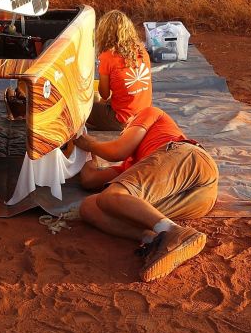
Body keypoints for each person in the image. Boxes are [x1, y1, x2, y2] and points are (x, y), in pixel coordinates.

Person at [74, 106, 219, 281]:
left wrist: (90, 144)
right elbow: (89, 180)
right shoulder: (132, 167)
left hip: (189, 158)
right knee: (90, 206)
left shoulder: (149, 112)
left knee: (112, 195)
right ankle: (156, 239)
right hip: (198, 199)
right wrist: (86, 153)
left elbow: (118, 151)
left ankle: (173, 231)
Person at [88, 10, 153, 131]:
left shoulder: (107, 56)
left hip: (122, 119)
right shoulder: (142, 51)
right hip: (143, 116)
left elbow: (104, 94)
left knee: (79, 107)